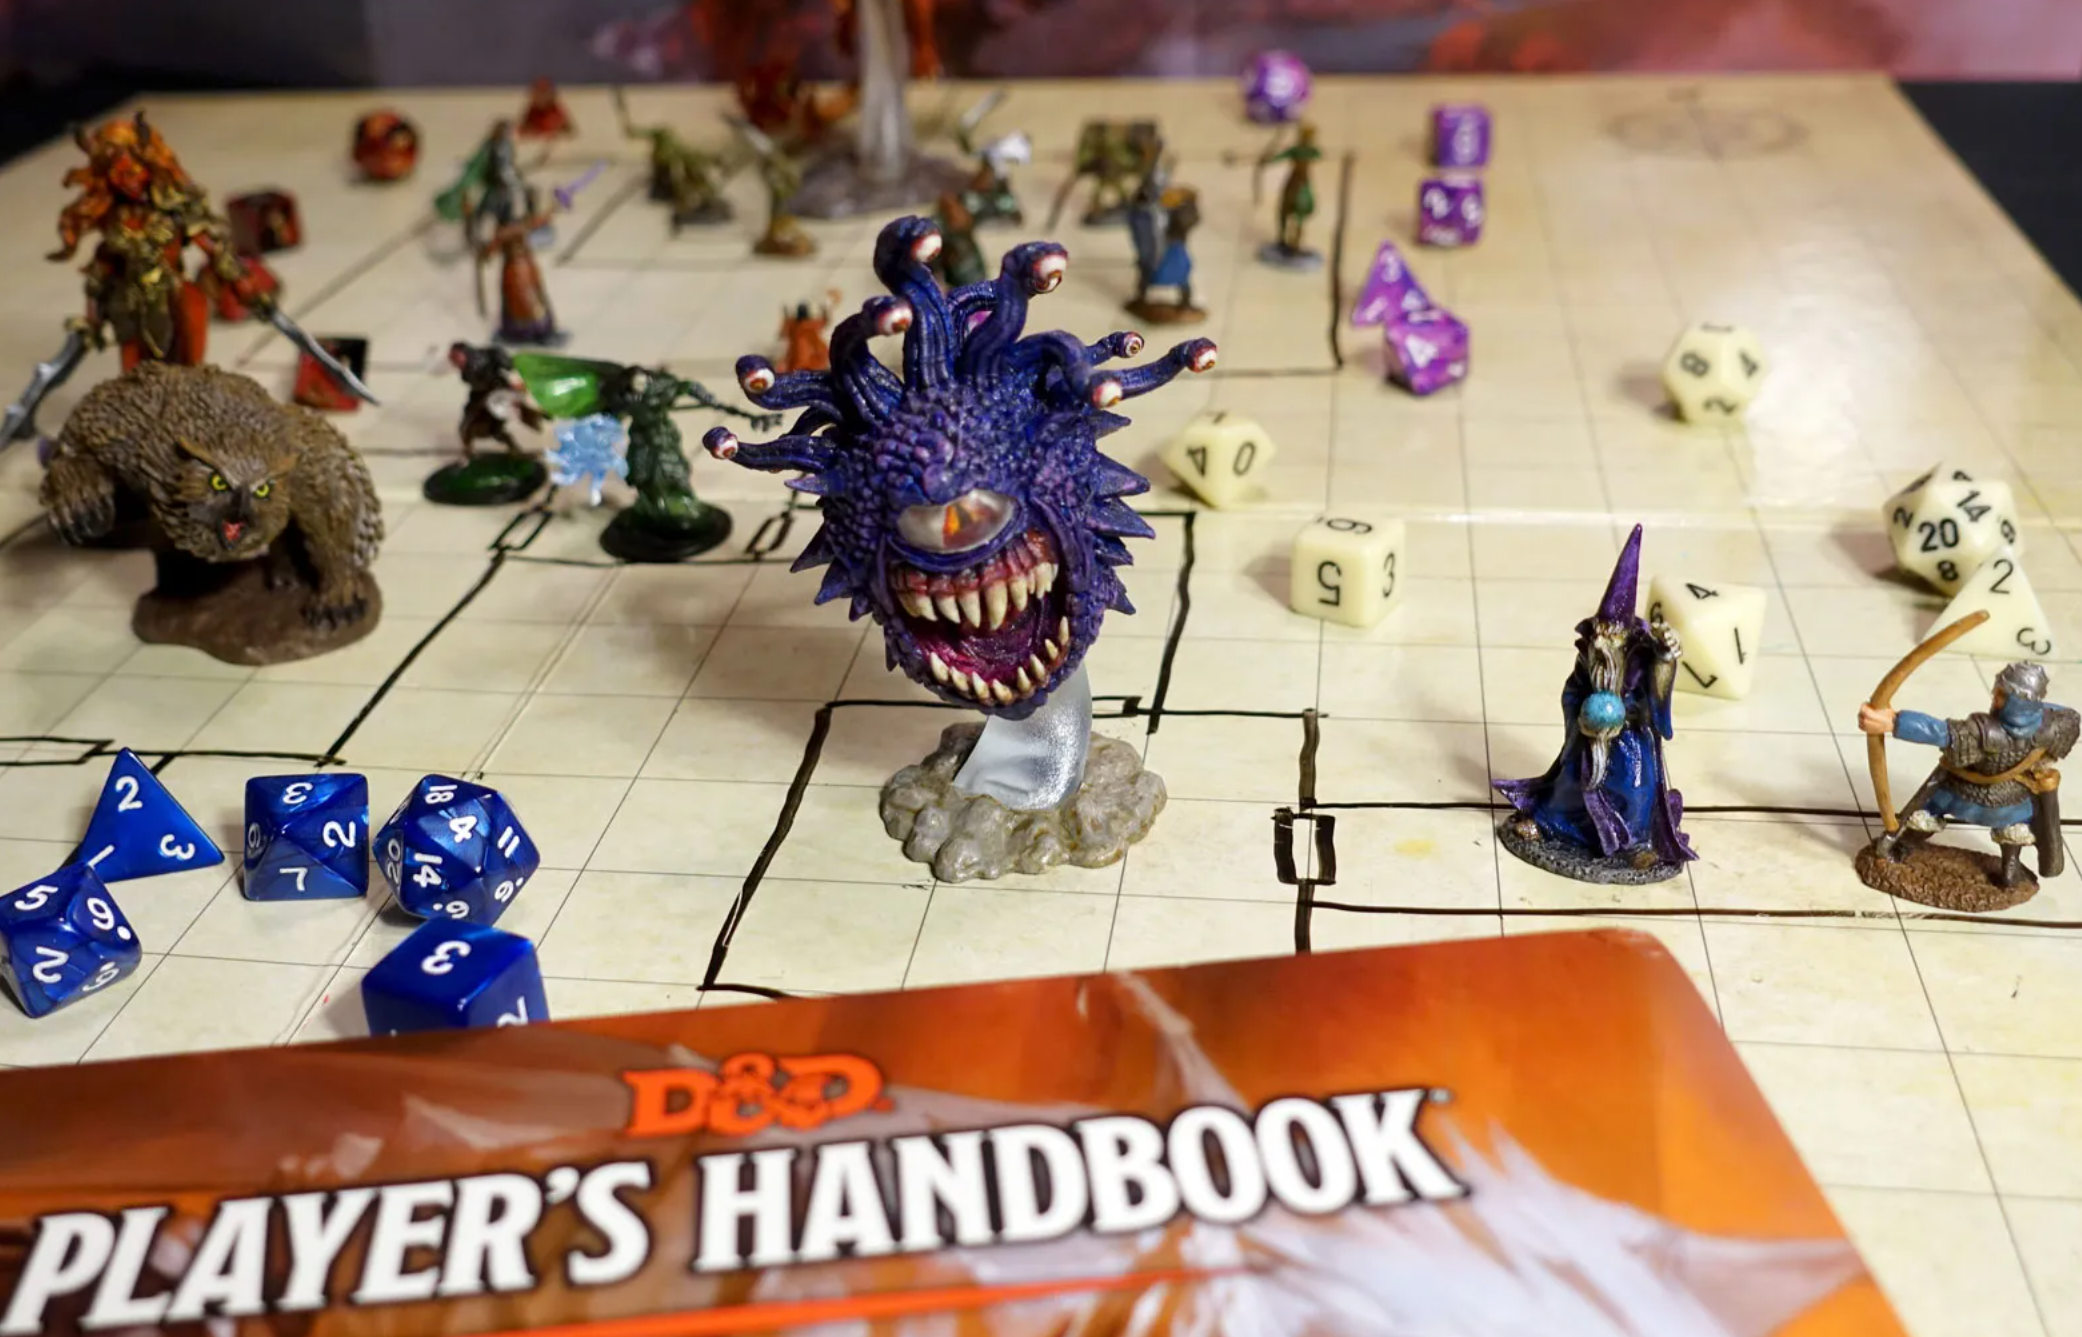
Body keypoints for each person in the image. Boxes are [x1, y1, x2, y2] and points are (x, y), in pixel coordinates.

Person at [1858, 662, 2077, 887]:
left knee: (1929, 808)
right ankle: (2010, 866)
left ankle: (1904, 846)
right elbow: (2070, 717)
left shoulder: (1981, 732)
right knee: (2015, 825)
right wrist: (2032, 709)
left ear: (2016, 702)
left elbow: (1939, 732)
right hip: (2012, 802)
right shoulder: (2053, 728)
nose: (1994, 697)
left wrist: (1893, 722)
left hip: (1962, 795)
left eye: (2001, 695)